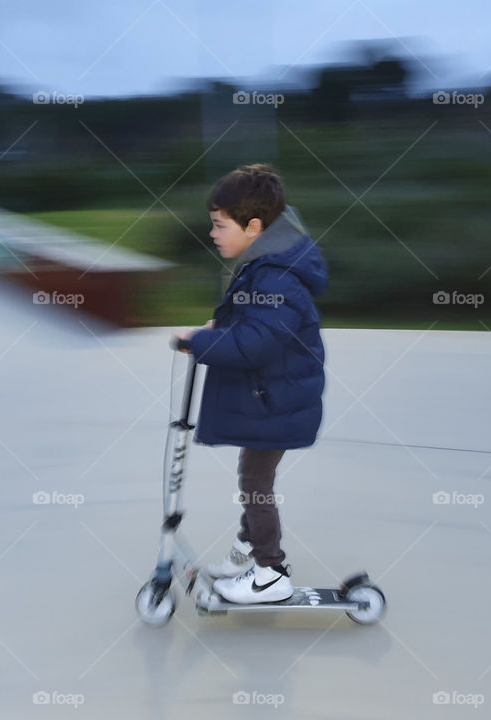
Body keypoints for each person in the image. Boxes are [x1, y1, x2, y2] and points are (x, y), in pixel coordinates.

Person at [173, 164, 327, 603]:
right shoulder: (266, 265)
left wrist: (201, 341)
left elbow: (255, 344)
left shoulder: (275, 275)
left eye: (220, 225)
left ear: (254, 226)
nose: (213, 233)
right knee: (252, 476)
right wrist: (217, 327)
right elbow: (256, 323)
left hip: (276, 400)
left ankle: (270, 573)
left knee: (256, 482)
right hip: (273, 396)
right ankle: (247, 551)